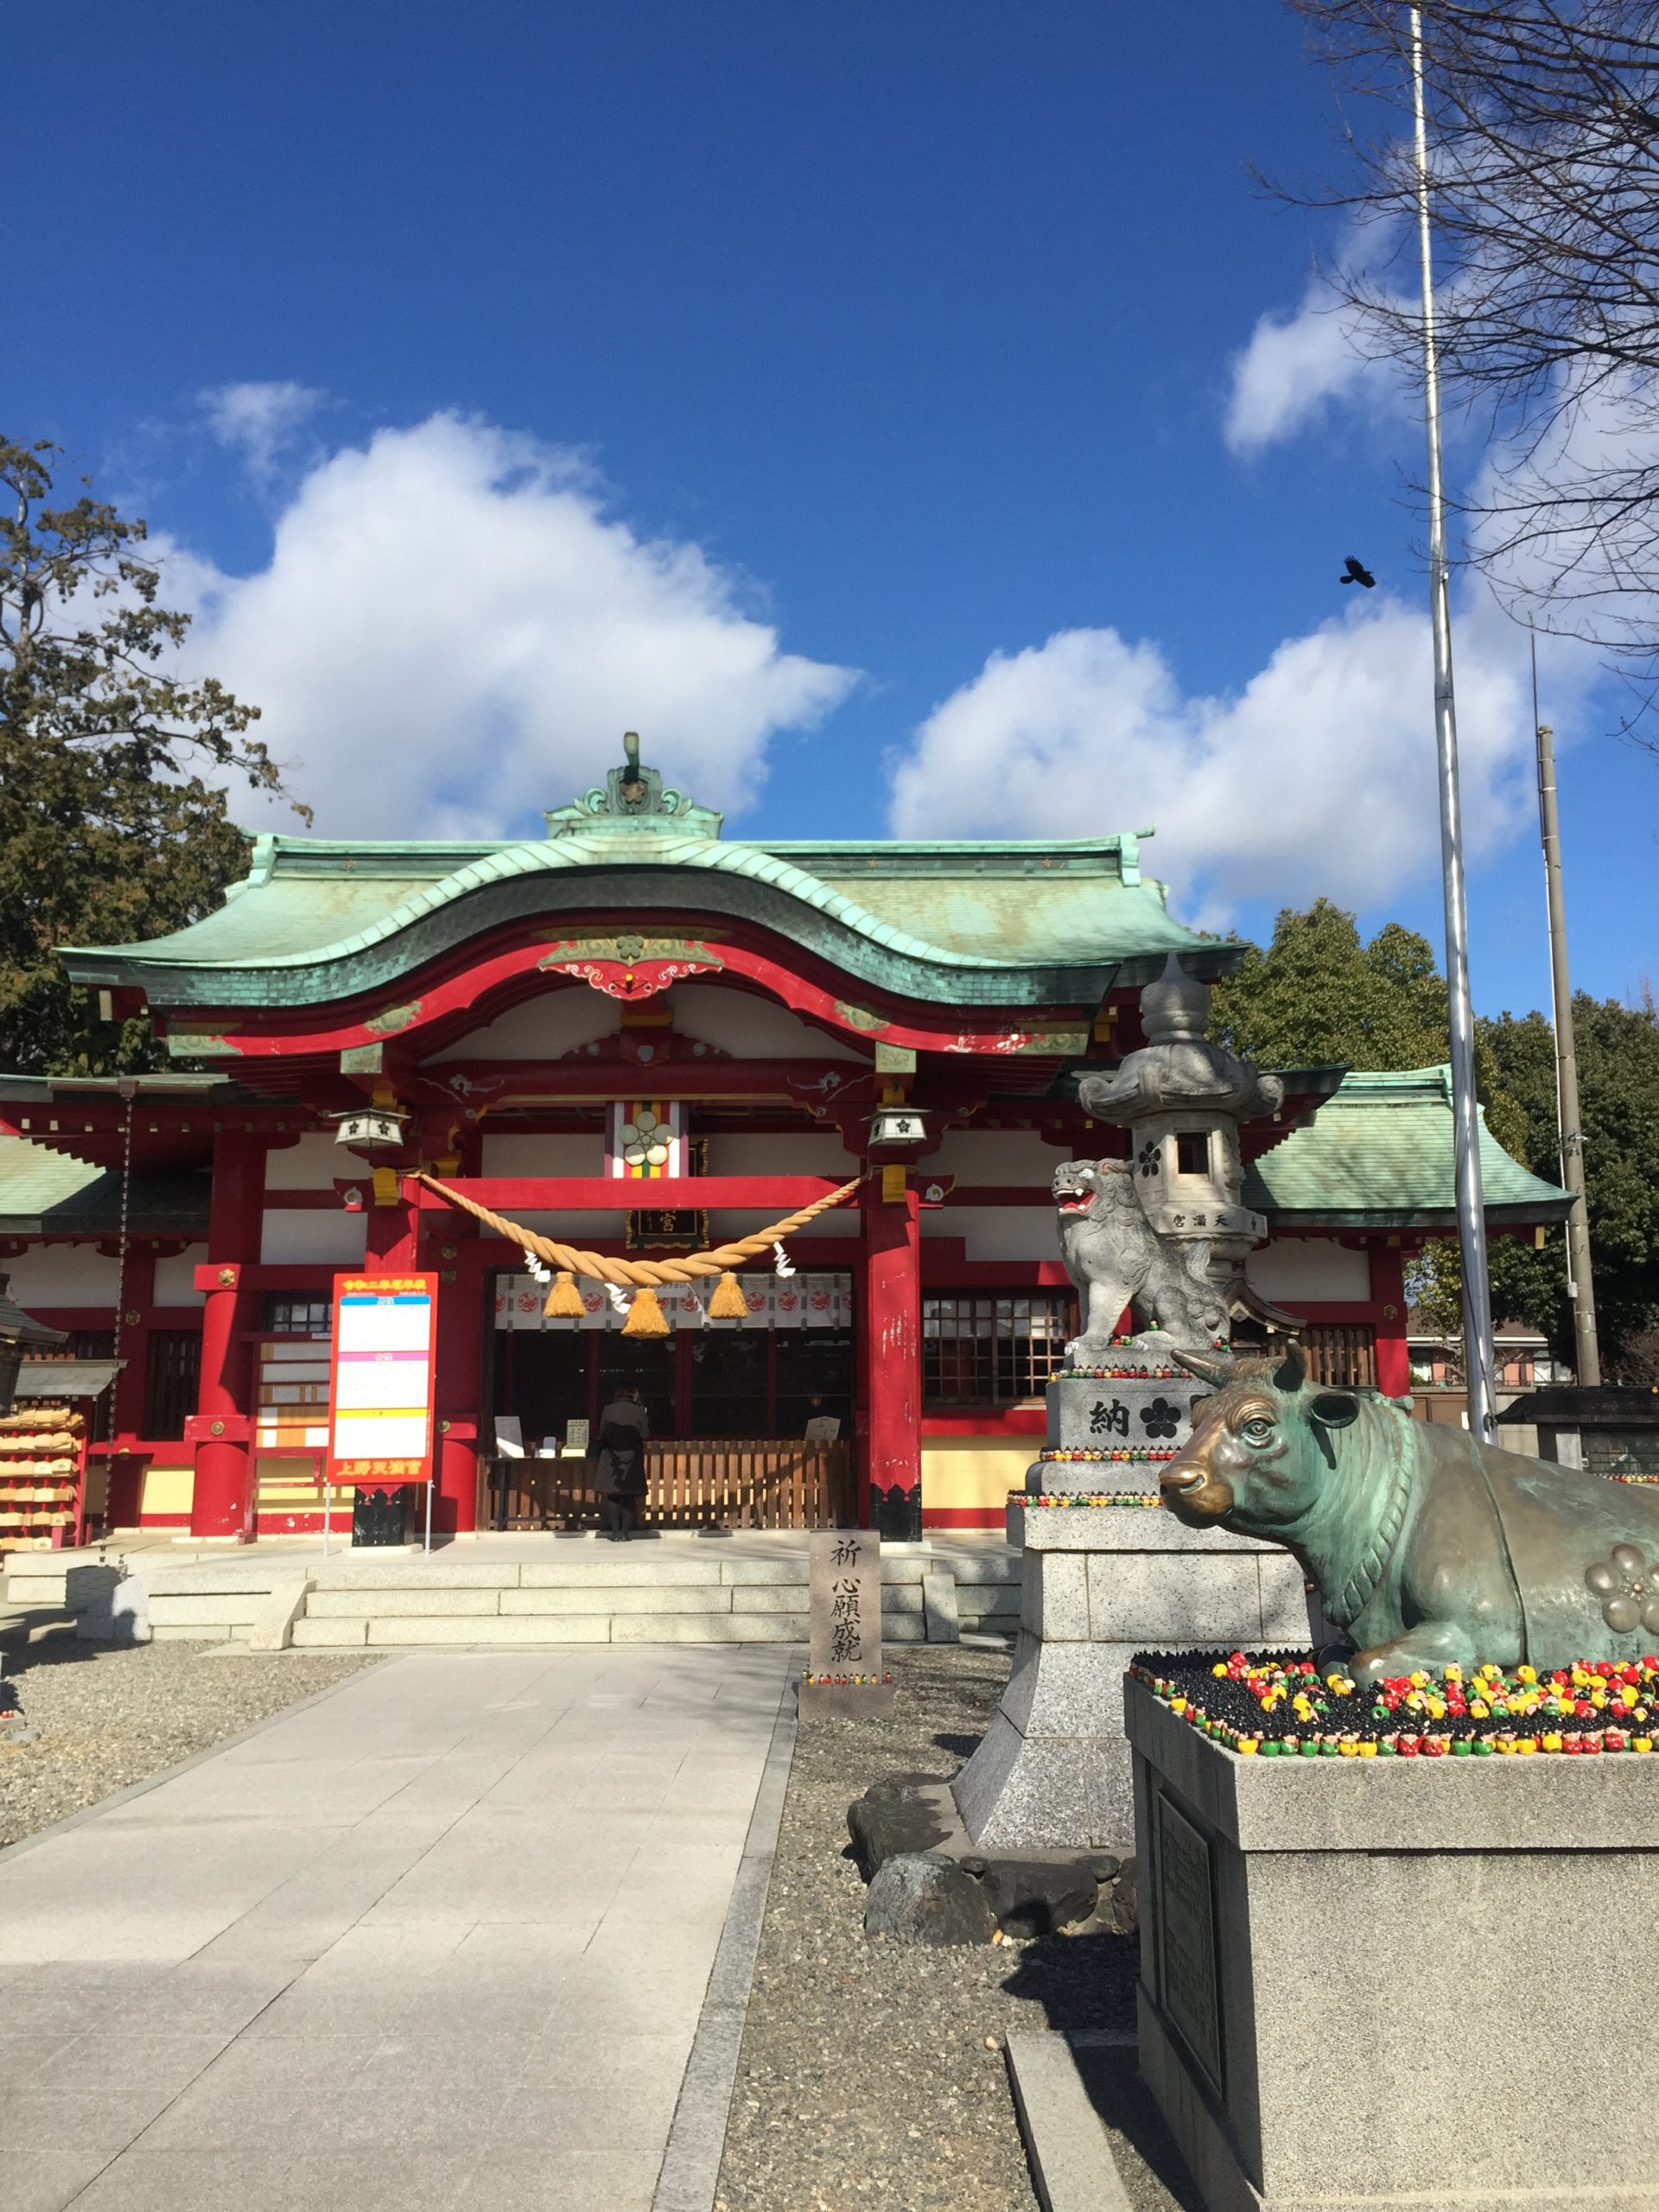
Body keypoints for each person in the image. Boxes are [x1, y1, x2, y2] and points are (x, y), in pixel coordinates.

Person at [594, 1382, 649, 1539]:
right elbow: (645, 1434)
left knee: (613, 1495)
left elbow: (602, 1433)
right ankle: (625, 1533)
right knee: (629, 1495)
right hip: (633, 1456)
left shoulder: (608, 1409)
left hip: (611, 1457)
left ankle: (615, 1533)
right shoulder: (639, 1411)